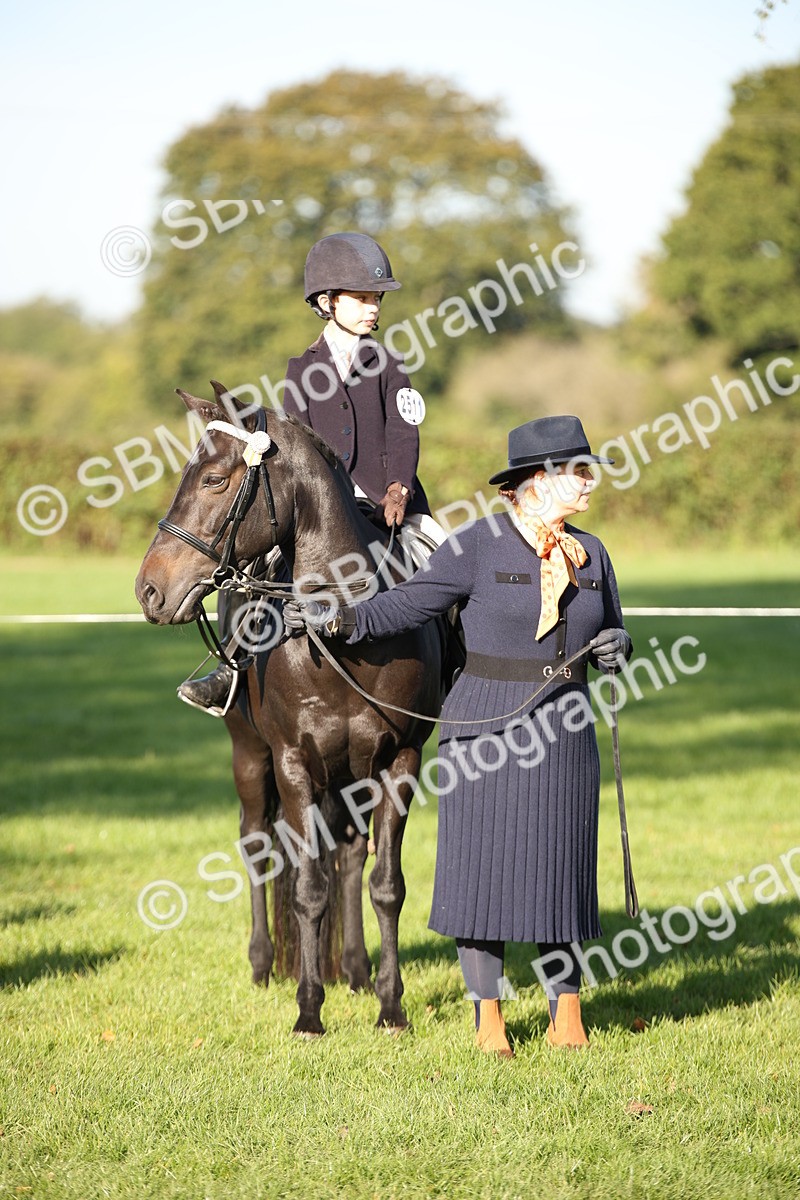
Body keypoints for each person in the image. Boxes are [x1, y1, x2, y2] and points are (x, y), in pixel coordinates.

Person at [284, 415, 632, 1058]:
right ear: (535, 481)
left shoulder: (594, 552)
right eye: (577, 471)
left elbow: (617, 625)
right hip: (486, 726)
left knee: (563, 867)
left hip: (567, 725)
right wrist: (339, 616)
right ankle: (489, 1017)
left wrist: (617, 644)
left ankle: (568, 1008)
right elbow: (405, 605)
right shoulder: (475, 546)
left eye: (589, 471)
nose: (589, 482)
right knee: (485, 872)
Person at [178, 231, 442, 715]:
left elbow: (405, 432)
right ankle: (230, 671)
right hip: (323, 509)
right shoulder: (301, 368)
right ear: (327, 301)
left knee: (444, 562)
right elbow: (296, 444)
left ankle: (458, 666)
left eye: (375, 299)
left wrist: (399, 487)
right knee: (259, 573)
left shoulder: (389, 364)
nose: (372, 308)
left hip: (391, 502)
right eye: (361, 298)